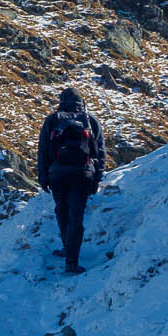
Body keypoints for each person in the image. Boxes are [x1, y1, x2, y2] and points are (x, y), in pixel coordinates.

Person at [36, 88, 106, 274]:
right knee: (77, 216)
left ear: (62, 101)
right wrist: (97, 177)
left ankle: (67, 248)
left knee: (62, 210)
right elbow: (99, 151)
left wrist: (43, 177)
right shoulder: (90, 120)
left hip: (58, 174)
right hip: (82, 174)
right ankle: (72, 262)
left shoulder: (53, 120)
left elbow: (43, 150)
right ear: (81, 102)